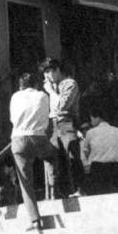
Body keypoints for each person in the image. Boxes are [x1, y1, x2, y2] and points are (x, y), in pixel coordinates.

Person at [8, 71, 55, 232]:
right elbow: (46, 119)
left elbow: (13, 119)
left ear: (21, 85)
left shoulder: (15, 97)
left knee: (25, 181)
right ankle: (55, 191)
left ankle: (35, 220)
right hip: (39, 138)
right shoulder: (43, 96)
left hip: (19, 140)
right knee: (53, 155)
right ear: (35, 84)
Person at [41, 58, 82, 199]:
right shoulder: (52, 86)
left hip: (66, 122)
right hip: (52, 124)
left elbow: (63, 105)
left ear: (57, 69)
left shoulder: (69, 84)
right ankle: (57, 192)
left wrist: (51, 92)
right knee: (54, 159)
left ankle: (78, 188)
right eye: (44, 73)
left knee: (71, 154)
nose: (46, 76)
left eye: (49, 71)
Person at [79, 104, 118, 195]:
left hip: (98, 169)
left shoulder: (90, 133)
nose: (91, 122)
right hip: (117, 168)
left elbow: (85, 151)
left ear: (97, 118)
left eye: (92, 119)